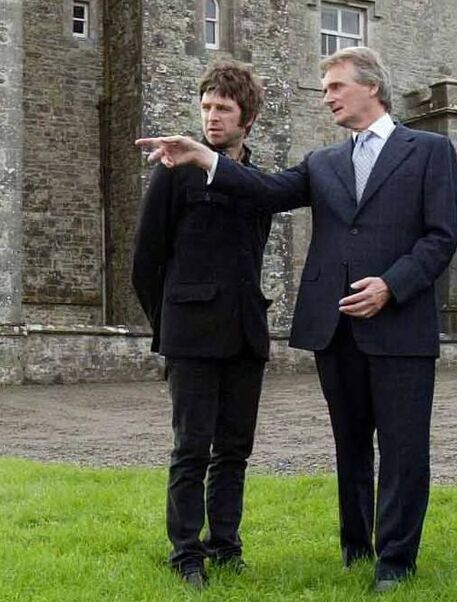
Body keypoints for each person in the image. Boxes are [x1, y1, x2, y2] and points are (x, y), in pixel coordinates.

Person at [136, 46, 457, 593]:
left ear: (371, 88)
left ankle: (395, 564)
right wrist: (205, 157)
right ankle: (357, 551)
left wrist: (391, 285)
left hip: (401, 327)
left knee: (404, 451)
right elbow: (263, 190)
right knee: (350, 446)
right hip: (335, 328)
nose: (326, 95)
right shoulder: (322, 163)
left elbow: (442, 237)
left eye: (335, 85)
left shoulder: (430, 150)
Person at [132, 59, 274, 589]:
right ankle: (186, 553)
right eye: (207, 107)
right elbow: (145, 262)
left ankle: (227, 546)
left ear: (248, 119)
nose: (212, 118)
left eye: (224, 109)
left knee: (234, 450)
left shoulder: (258, 180)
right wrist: (169, 326)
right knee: (191, 448)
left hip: (245, 334)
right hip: (191, 336)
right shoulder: (173, 171)